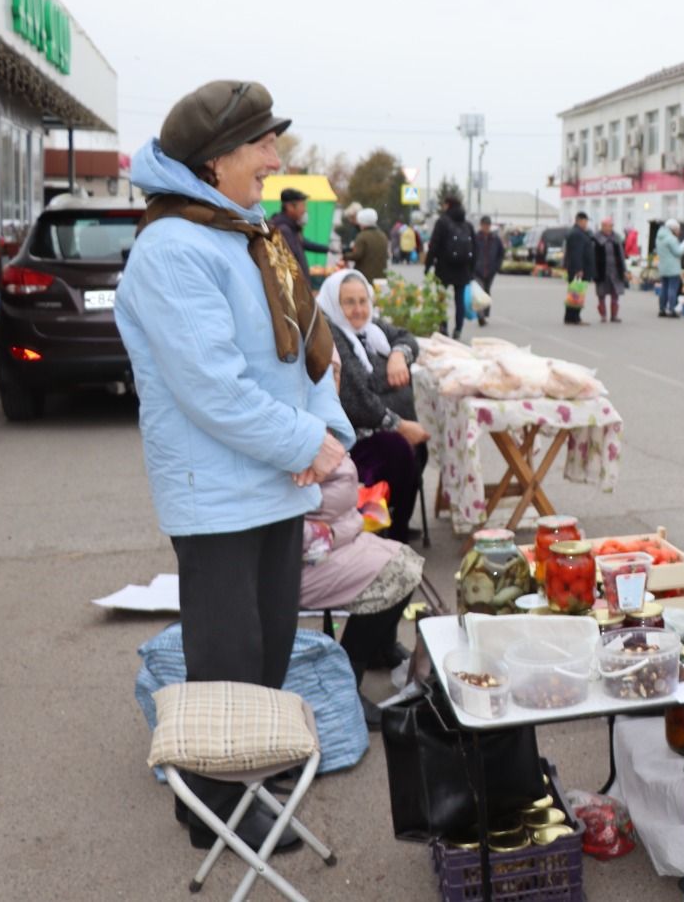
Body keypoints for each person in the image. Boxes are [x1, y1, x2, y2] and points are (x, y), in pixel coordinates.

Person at [116, 79, 353, 853]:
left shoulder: (249, 232)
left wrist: (324, 437)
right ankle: (210, 805)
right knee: (227, 657)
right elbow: (211, 389)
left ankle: (248, 770)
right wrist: (300, 445)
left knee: (273, 647)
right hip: (216, 495)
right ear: (217, 160)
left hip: (275, 485)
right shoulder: (173, 249)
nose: (275, 159)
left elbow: (312, 350)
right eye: (263, 144)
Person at [302, 347, 424, 729]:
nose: (334, 383)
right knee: (397, 571)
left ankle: (375, 649)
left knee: (405, 559)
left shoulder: (322, 420)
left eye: (336, 374)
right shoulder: (301, 432)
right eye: (326, 374)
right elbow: (301, 530)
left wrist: (353, 522)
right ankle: (344, 688)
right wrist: (350, 527)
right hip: (304, 560)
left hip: (334, 541)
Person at [316, 269, 430, 545]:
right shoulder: (333, 335)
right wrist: (401, 426)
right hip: (354, 435)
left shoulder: (372, 330)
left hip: (381, 425)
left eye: (363, 300)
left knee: (416, 449)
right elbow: (357, 400)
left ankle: (395, 521)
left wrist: (398, 355)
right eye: (349, 302)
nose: (358, 310)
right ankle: (391, 533)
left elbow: (406, 337)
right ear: (334, 304)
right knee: (399, 450)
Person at [425, 195, 475, 340]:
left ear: (448, 205)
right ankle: (458, 328)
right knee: (459, 300)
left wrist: (428, 265)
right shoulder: (467, 225)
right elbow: (475, 249)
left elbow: (433, 245)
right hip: (462, 269)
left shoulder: (442, 222)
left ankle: (443, 327)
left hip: (443, 268)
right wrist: (471, 270)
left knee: (442, 299)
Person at [269, 186, 331, 280]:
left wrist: (328, 249)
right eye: (302, 205)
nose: (305, 210)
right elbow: (291, 267)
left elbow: (304, 243)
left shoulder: (292, 228)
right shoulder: (284, 230)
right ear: (290, 207)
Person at [563, 211, 596, 325]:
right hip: (579, 270)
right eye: (585, 221)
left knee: (575, 293)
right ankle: (574, 317)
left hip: (578, 268)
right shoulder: (577, 234)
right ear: (579, 221)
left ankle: (571, 317)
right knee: (576, 293)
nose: (586, 223)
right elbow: (576, 253)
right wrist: (579, 269)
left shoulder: (579, 232)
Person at [593, 217, 628, 323]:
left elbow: (621, 255)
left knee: (615, 294)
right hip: (601, 270)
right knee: (601, 294)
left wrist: (624, 269)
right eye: (606, 226)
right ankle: (603, 315)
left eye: (610, 226)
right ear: (602, 226)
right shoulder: (596, 238)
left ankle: (614, 316)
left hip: (616, 270)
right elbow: (592, 255)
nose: (609, 228)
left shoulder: (617, 238)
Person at [472, 216, 506, 327]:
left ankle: (485, 314)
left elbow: (501, 253)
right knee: (479, 293)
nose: (486, 227)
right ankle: (480, 316)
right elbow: (470, 251)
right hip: (478, 270)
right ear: (481, 225)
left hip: (490, 270)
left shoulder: (495, 238)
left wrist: (497, 266)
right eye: (484, 225)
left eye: (488, 225)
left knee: (487, 292)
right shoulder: (476, 238)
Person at [345, 207, 389, 281]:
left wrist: (345, 255)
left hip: (365, 275)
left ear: (361, 222)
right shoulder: (382, 235)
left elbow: (357, 255)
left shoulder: (362, 236)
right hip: (381, 275)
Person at [655, 218, 684, 318]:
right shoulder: (671, 239)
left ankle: (662, 309)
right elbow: (678, 252)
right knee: (672, 289)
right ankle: (672, 309)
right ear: (673, 229)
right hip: (673, 268)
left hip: (663, 267)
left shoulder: (659, 237)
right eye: (677, 229)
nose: (679, 232)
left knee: (664, 288)